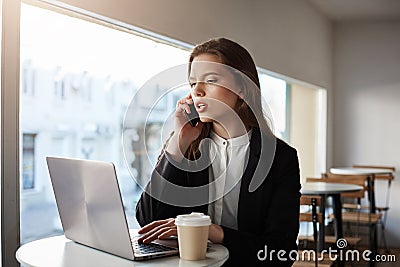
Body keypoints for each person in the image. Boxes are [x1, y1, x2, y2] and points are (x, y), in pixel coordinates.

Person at [135, 37, 301, 266]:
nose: (197, 92)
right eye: (193, 83)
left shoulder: (280, 158)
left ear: (242, 88)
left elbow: (281, 251)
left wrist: (215, 232)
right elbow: (147, 220)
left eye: (210, 80)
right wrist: (177, 146)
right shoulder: (184, 146)